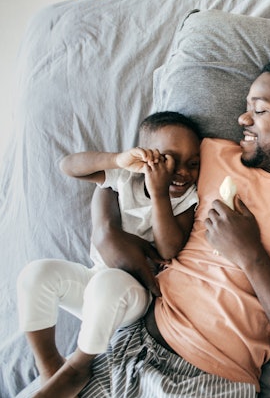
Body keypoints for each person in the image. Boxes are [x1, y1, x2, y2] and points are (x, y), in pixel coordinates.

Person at [55, 59, 270, 397]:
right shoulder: (209, 154)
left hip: (211, 381)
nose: (243, 119)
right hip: (128, 339)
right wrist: (106, 230)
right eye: (246, 107)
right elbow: (126, 174)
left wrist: (252, 257)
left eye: (259, 111)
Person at [16, 111, 202, 398]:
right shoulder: (125, 177)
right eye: (168, 160)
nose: (182, 171)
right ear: (145, 157)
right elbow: (68, 166)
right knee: (36, 273)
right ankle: (50, 366)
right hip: (94, 281)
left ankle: (79, 366)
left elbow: (169, 249)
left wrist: (160, 192)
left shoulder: (186, 199)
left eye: (193, 164)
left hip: (133, 295)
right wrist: (117, 160)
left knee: (109, 284)